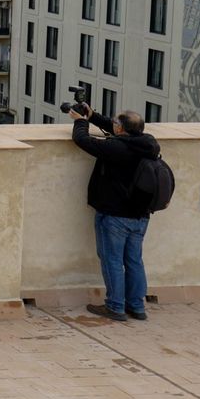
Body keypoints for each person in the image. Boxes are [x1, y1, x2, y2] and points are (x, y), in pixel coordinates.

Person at [69, 104, 162, 321]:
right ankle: (137, 307)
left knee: (112, 260)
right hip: (140, 215)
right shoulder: (147, 144)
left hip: (115, 214)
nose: (113, 125)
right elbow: (116, 130)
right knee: (134, 261)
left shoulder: (116, 148)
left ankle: (115, 306)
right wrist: (93, 116)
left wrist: (80, 121)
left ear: (121, 129)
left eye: (115, 123)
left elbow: (82, 140)